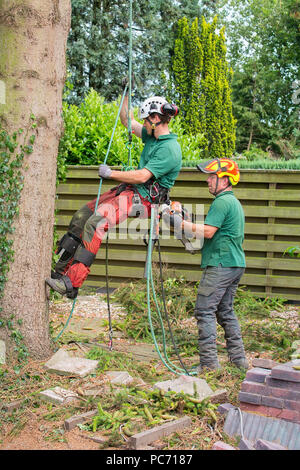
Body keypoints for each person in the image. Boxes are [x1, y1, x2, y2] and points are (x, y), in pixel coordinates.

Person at [46, 91, 182, 299]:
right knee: (81, 217)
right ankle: (60, 271)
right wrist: (126, 92)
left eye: (147, 120)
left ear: (155, 119)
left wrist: (111, 173)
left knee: (96, 223)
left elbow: (142, 176)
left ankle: (72, 283)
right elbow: (127, 120)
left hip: (144, 200)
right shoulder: (152, 136)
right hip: (129, 192)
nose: (144, 123)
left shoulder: (170, 149)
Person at [163, 158, 249, 371]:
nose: (208, 181)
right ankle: (239, 362)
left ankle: (209, 365)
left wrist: (180, 224)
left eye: (212, 177)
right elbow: (212, 231)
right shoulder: (233, 203)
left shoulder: (222, 202)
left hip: (221, 265)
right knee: (225, 311)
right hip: (234, 264)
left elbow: (209, 232)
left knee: (204, 310)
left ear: (226, 180)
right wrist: (186, 220)